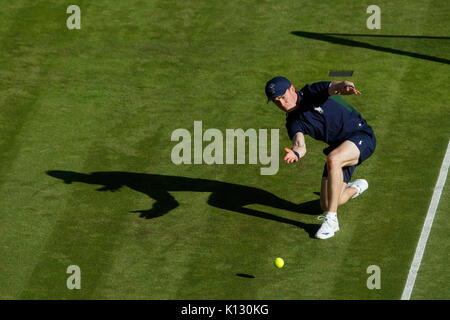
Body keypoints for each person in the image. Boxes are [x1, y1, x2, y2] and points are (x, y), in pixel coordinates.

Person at [265, 76, 376, 239]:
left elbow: (335, 86)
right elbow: (299, 144)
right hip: (339, 148)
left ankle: (331, 221)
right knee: (326, 203)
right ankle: (356, 188)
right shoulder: (292, 122)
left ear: (291, 89)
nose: (281, 103)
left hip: (361, 135)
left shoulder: (312, 92)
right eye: (276, 101)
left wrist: (346, 86)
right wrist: (296, 152)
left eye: (282, 97)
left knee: (333, 159)